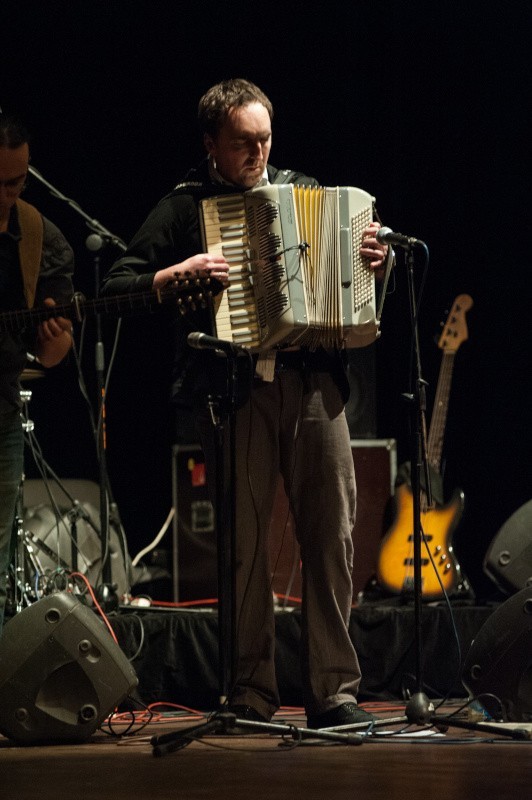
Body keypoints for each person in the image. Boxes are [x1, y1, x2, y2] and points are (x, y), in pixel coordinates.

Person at [101, 78, 388, 729]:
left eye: (264, 139)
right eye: (242, 143)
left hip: (313, 379)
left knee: (331, 535)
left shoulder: (304, 188)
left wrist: (373, 265)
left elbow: (354, 281)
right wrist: (173, 277)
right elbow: (118, 279)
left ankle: (333, 691)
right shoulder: (184, 206)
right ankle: (251, 689)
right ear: (211, 144)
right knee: (242, 546)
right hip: (231, 389)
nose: (257, 153)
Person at [0, 115, 74, 636]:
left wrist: (54, 344)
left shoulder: (36, 234)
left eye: (17, 181)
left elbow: (52, 351)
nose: (9, 194)